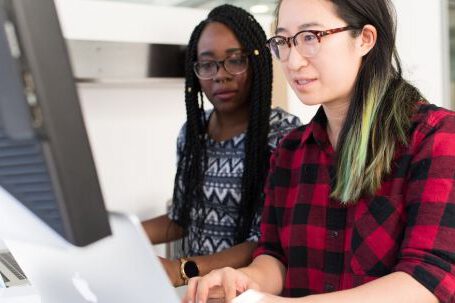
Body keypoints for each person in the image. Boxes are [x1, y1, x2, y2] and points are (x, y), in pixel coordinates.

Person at [183, 0, 455, 302]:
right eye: (284, 41)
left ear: (365, 39)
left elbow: (427, 279)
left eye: (310, 37)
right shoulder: (290, 150)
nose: (293, 61)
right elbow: (275, 257)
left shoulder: (435, 137)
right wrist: (243, 280)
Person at [141, 4, 301, 287]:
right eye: (207, 64)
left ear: (257, 62)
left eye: (235, 60)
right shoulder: (193, 133)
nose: (220, 75)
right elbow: (181, 218)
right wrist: (119, 235)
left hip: (249, 292)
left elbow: (265, 240)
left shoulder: (283, 135)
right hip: (198, 292)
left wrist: (182, 270)